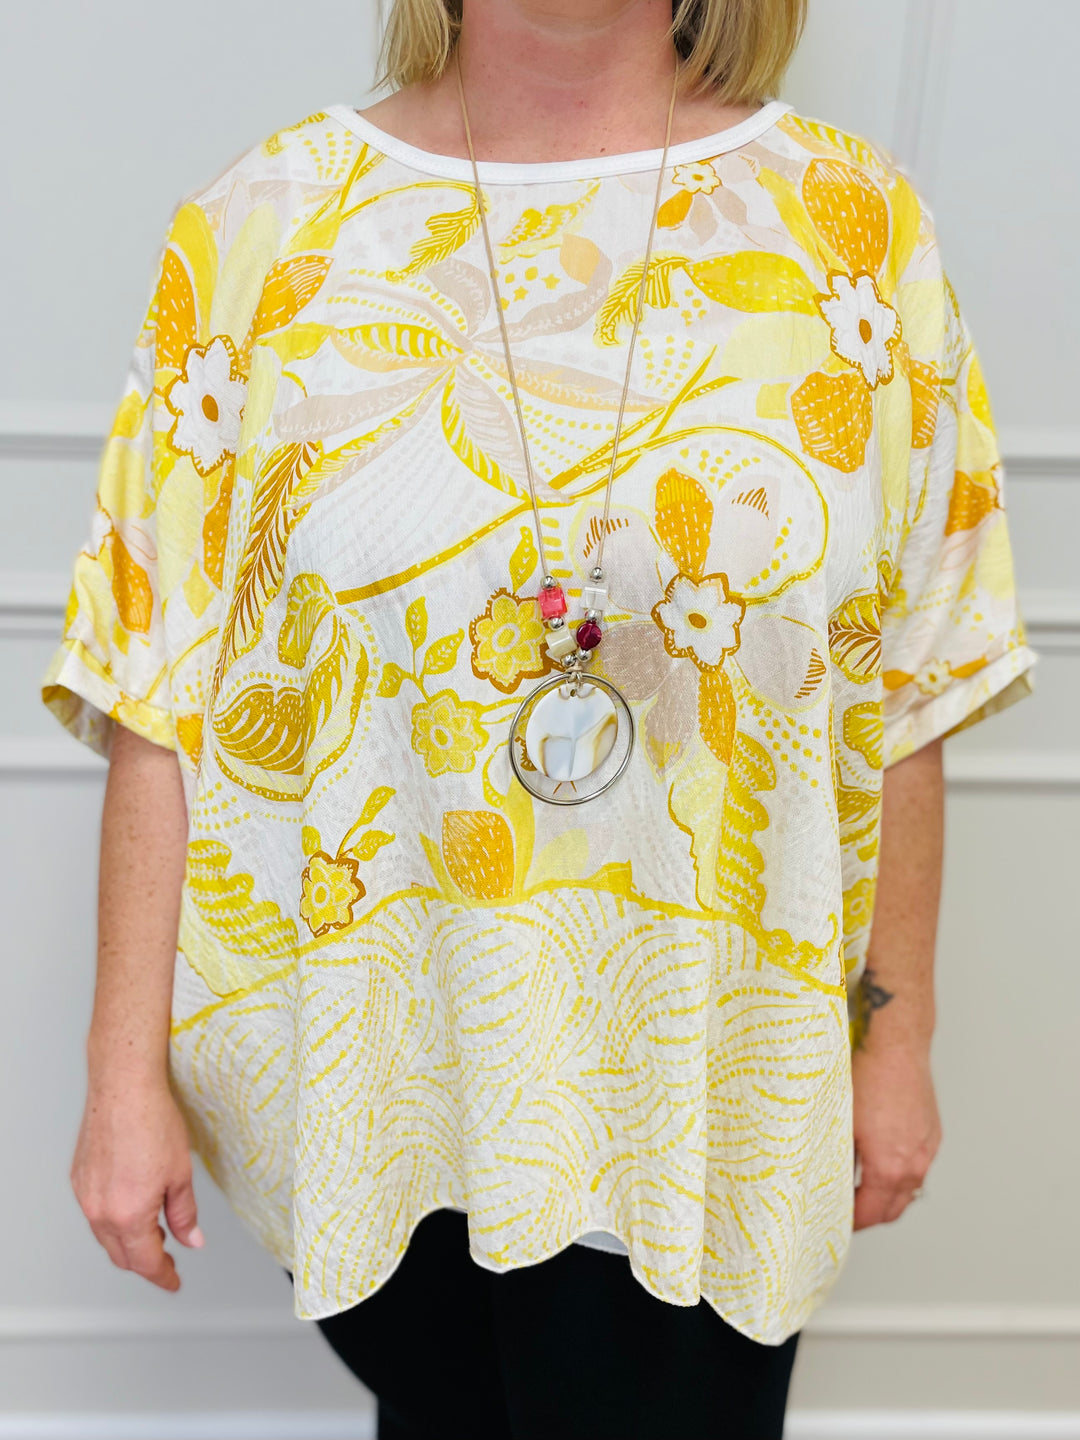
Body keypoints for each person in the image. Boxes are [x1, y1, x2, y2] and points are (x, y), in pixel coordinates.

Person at [44, 1, 1038, 1436]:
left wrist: (898, 1040)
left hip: (709, 1086)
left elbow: (909, 677)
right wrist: (117, 1078)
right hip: (382, 1076)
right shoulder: (263, 225)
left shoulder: (854, 227)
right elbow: (160, 684)